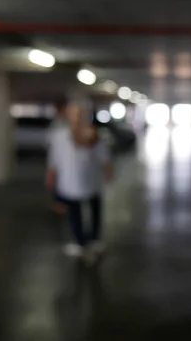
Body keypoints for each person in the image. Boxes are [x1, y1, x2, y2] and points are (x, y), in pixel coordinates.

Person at [46, 101, 113, 262]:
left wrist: (108, 171)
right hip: (68, 181)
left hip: (91, 179)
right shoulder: (59, 135)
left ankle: (95, 239)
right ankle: (79, 241)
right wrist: (51, 177)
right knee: (74, 212)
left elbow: (103, 156)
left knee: (94, 209)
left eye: (79, 115)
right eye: (73, 114)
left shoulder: (93, 135)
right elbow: (54, 159)